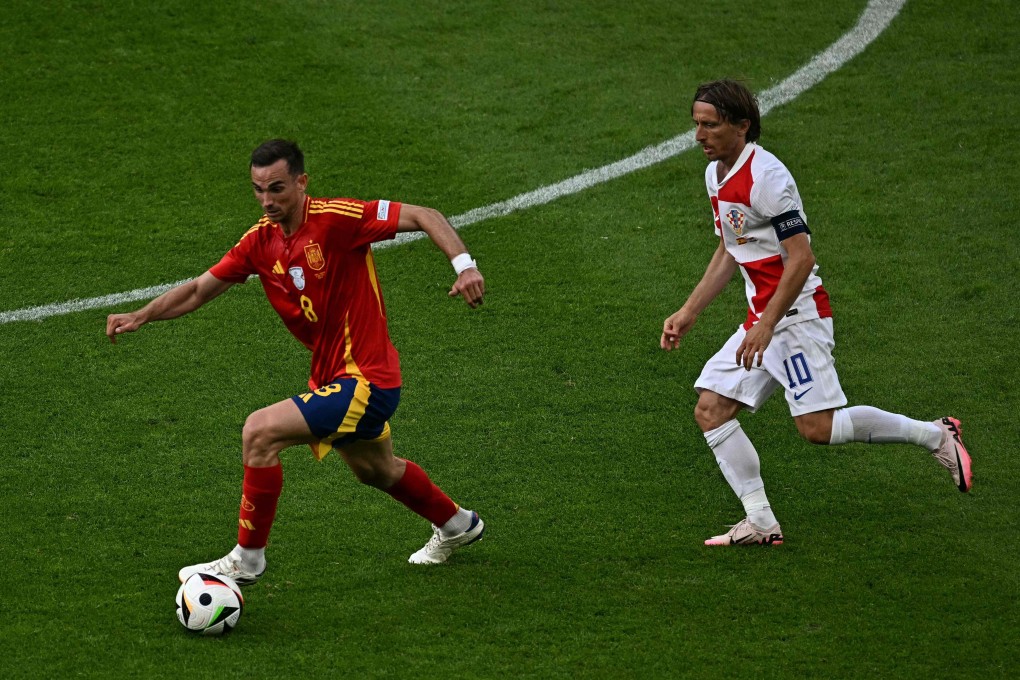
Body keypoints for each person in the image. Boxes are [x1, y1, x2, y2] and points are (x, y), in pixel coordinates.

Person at [107, 139, 486, 582]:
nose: (267, 200)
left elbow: (425, 215)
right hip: (332, 377)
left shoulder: (338, 219)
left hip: (366, 379)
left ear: (302, 182)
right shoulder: (259, 242)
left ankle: (247, 560)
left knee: (259, 431)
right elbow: (197, 290)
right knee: (377, 470)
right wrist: (142, 315)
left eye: (277, 188)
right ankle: (457, 524)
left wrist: (465, 267)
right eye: (258, 190)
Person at [660, 80, 972, 546]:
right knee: (711, 409)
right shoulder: (715, 174)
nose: (699, 136)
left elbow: (801, 258)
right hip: (763, 320)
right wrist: (690, 310)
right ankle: (761, 523)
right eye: (697, 124)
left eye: (710, 125)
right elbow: (730, 247)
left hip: (795, 318)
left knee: (817, 428)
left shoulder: (767, 178)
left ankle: (936, 436)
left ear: (742, 126)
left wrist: (767, 326)